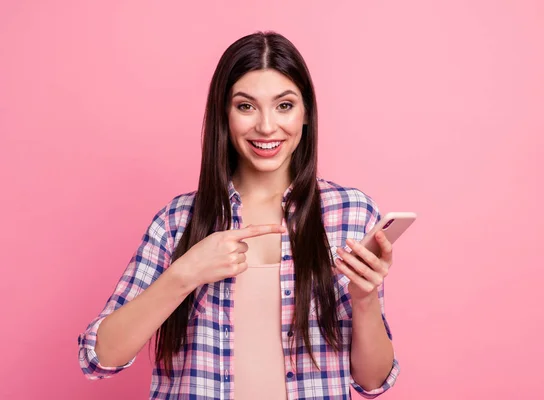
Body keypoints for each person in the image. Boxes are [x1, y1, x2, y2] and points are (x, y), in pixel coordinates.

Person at [78, 31, 399, 400]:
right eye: (246, 106)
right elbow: (98, 357)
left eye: (284, 105)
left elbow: (373, 381)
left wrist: (364, 299)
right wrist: (184, 273)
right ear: (224, 115)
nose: (266, 126)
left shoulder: (351, 214)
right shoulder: (178, 220)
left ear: (306, 112)